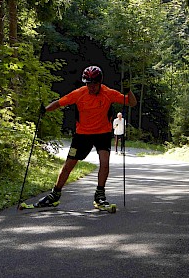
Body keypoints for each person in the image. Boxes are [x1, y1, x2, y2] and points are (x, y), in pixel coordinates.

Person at [36, 65, 137, 208]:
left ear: (99, 82)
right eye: (88, 83)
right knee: (68, 165)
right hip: (82, 135)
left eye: (94, 84)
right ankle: (55, 193)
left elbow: (132, 102)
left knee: (104, 162)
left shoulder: (108, 93)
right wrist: (45, 110)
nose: (91, 87)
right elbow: (59, 103)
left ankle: (100, 195)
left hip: (102, 133)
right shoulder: (79, 93)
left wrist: (128, 90)